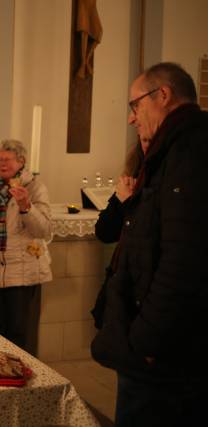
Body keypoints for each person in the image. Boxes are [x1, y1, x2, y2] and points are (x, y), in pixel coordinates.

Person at [91, 62, 208, 427]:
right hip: (158, 343)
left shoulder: (189, 151)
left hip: (163, 352)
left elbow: (184, 258)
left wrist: (144, 339)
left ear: (163, 95)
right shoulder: (170, 152)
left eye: (134, 105)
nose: (131, 119)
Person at [0, 140, 52, 356]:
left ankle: (20, 376)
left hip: (22, 271)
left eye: (7, 159)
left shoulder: (34, 188)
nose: (2, 163)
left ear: (21, 162)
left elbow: (43, 230)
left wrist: (26, 206)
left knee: (19, 332)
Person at [91, 137, 149, 329]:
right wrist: (120, 199)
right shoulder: (133, 177)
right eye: (144, 140)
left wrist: (128, 203)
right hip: (122, 280)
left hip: (144, 287)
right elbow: (104, 232)